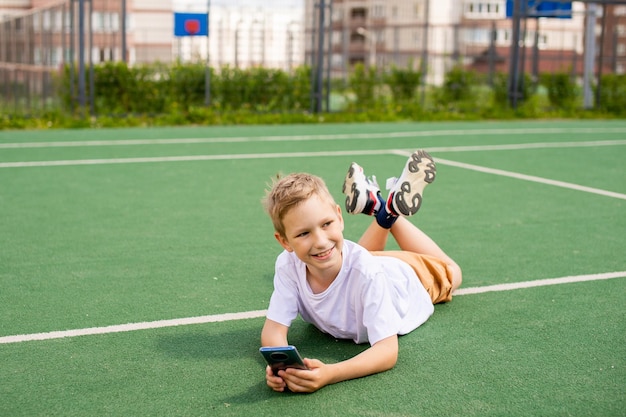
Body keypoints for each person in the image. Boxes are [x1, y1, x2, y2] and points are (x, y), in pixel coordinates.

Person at [260, 150, 462, 393]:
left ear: (339, 216)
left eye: (326, 224)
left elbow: (387, 352)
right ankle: (377, 206)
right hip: (364, 264)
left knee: (453, 273)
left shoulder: (366, 273)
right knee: (340, 259)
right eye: (303, 233)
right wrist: (281, 367)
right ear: (284, 242)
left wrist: (331, 373)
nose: (321, 240)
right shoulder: (288, 265)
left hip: (408, 279)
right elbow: (273, 333)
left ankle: (388, 213)